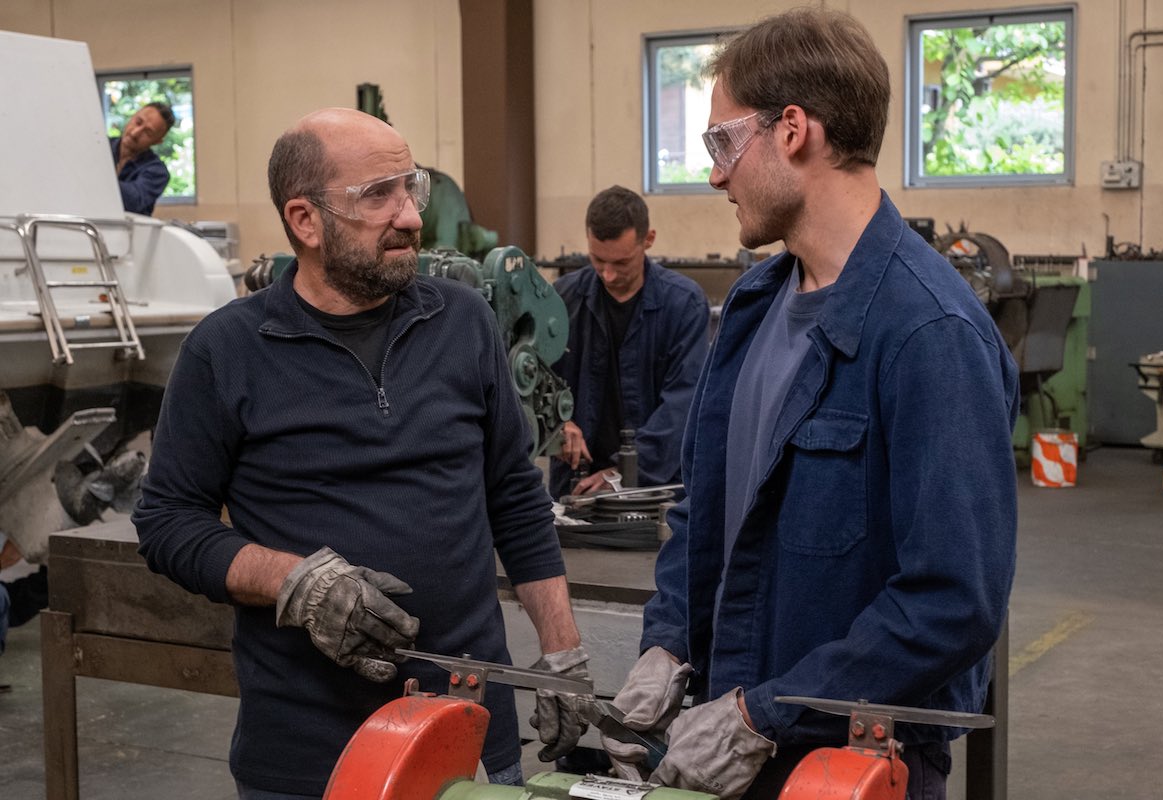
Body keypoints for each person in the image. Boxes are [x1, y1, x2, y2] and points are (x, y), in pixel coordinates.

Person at [601, 10, 1019, 800]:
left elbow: (953, 602)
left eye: (723, 143)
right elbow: (706, 512)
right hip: (730, 729)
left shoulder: (930, 333)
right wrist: (668, 644)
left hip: (850, 756)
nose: (715, 175)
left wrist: (764, 716)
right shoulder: (756, 305)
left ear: (793, 130)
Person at [133, 108, 590, 798]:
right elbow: (167, 521)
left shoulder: (464, 323)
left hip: (468, 732)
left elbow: (515, 496)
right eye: (378, 195)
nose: (409, 216)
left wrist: (562, 651)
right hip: (309, 754)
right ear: (305, 221)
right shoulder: (225, 351)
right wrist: (293, 581)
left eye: (411, 189)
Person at [550, 186, 709, 499]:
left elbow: (682, 407)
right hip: (574, 491)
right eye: (597, 260)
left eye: (621, 263)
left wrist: (623, 475)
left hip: (657, 489)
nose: (608, 275)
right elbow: (538, 384)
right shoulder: (561, 301)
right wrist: (556, 426)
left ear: (648, 240)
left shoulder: (684, 305)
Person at [110, 102, 175, 216]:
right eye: (138, 122)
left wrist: (98, 179)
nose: (135, 133)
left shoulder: (158, 172)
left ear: (157, 141)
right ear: (132, 117)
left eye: (148, 132)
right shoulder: (99, 147)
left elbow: (133, 202)